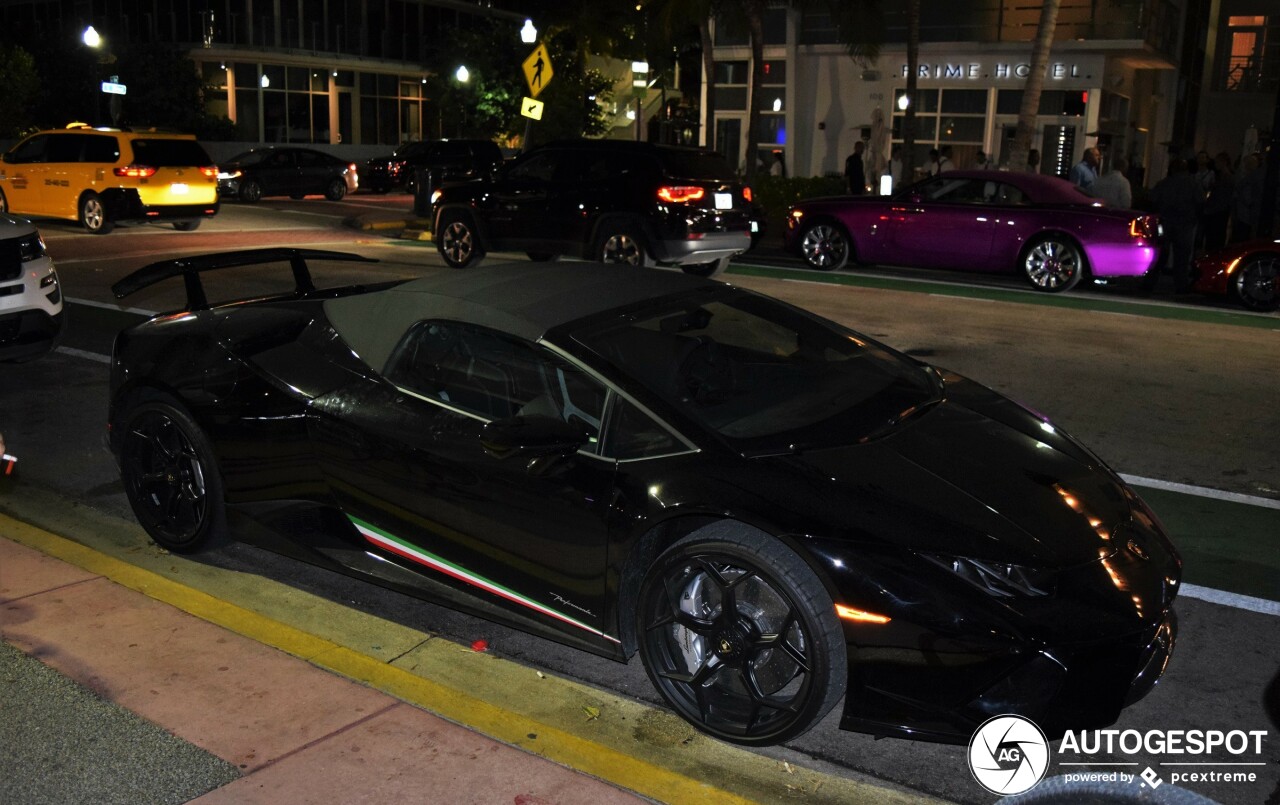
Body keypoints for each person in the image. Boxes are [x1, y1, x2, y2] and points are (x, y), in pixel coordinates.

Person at [1148, 157, 1203, 293]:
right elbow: (1200, 203)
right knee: (1182, 258)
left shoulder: (1164, 183)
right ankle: (1181, 285)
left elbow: (1152, 200)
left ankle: (1150, 282)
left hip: (1166, 222)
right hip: (1185, 224)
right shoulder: (1193, 184)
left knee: (1160, 254)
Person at [1201, 152, 1235, 251]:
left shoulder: (1226, 177)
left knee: (1214, 239)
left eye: (1217, 161)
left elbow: (1220, 197)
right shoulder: (1223, 176)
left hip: (1217, 212)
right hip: (1218, 211)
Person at [1232, 153, 1263, 243]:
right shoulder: (1245, 177)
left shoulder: (1251, 179)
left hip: (1247, 215)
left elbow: (1247, 198)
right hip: (1242, 214)